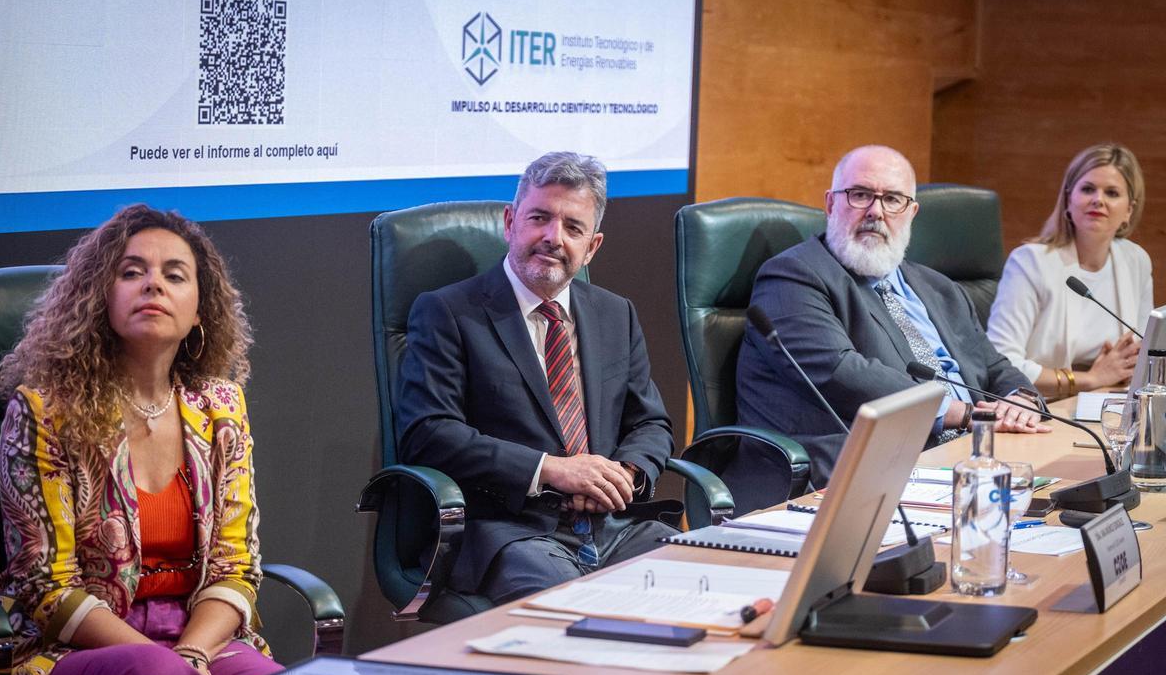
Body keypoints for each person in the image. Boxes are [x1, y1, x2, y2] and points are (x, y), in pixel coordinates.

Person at [0, 205, 280, 675]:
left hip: (196, 636)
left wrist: (191, 653)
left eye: (174, 275)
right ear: (99, 298)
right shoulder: (45, 410)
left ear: (199, 311)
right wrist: (164, 662)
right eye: (131, 271)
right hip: (70, 648)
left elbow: (236, 565)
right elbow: (46, 587)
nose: (152, 284)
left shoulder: (222, 407)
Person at [396, 151, 677, 605]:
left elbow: (651, 423)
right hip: (514, 532)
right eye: (539, 218)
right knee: (575, 613)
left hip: (615, 527)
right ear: (510, 222)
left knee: (705, 581)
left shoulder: (614, 313)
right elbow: (428, 434)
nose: (553, 237)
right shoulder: (449, 312)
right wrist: (553, 471)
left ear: (593, 246)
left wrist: (621, 474)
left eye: (573, 227)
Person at [734, 145, 1047, 495]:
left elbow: (992, 364)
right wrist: (964, 413)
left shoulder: (940, 288)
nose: (876, 212)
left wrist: (1019, 400)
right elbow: (840, 372)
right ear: (830, 204)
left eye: (892, 199)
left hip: (968, 458)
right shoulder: (794, 276)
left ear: (911, 212)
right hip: (856, 473)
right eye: (861, 195)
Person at [988, 143, 1154, 399]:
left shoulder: (1135, 260)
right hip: (1041, 407)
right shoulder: (1030, 262)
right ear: (1068, 198)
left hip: (1114, 404)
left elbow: (1145, 354)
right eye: (1088, 189)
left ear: (1129, 210)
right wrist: (1090, 379)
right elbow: (1000, 361)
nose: (1098, 199)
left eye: (1111, 193)